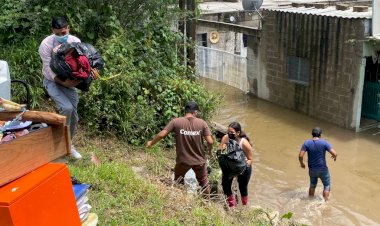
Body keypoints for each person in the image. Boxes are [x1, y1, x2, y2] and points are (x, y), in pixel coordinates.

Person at [146, 101, 214, 197]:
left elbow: (162, 134)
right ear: (195, 112)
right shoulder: (202, 123)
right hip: (199, 161)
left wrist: (151, 143)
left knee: (178, 179)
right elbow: (210, 141)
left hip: (183, 161)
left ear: (185, 111)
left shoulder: (176, 121)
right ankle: (208, 204)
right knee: (203, 182)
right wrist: (210, 151)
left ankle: (181, 197)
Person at [38, 16, 82, 159]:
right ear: (52, 31)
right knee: (66, 108)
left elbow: (82, 62)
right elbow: (47, 70)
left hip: (70, 81)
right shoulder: (46, 45)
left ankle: (69, 144)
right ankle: (58, 147)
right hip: (52, 81)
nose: (61, 36)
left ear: (68, 28)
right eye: (58, 33)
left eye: (63, 33)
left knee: (74, 115)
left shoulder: (75, 42)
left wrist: (90, 72)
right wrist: (63, 83)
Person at [218, 122, 253, 207]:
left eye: (232, 133)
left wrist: (242, 166)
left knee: (243, 187)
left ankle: (245, 206)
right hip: (229, 167)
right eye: (228, 132)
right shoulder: (226, 138)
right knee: (225, 185)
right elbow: (221, 152)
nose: (229, 134)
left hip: (243, 168)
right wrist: (223, 149)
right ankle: (231, 205)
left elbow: (250, 159)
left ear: (238, 133)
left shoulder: (244, 143)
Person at [298, 127, 337, 201]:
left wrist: (302, 164)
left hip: (312, 170)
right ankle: (324, 203)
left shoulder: (307, 143)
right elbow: (334, 153)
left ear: (312, 134)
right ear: (320, 135)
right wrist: (334, 156)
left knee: (312, 185)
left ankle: (310, 200)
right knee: (326, 185)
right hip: (323, 170)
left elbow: (300, 155)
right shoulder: (324, 143)